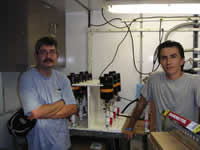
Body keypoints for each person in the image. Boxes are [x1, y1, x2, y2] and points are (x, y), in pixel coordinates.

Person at [123, 40, 200, 139]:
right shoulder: (153, 79)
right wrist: (130, 128)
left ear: (182, 61)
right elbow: (140, 105)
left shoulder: (195, 81)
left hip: (188, 141)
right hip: (162, 139)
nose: (168, 62)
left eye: (173, 56)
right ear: (160, 62)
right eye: (164, 58)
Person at [19, 36, 78, 150]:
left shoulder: (63, 79)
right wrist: (62, 102)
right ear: (36, 55)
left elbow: (73, 108)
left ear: (57, 56)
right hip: (39, 144)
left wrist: (42, 113)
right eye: (43, 52)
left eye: (52, 52)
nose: (48, 56)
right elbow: (35, 112)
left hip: (62, 144)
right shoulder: (27, 78)